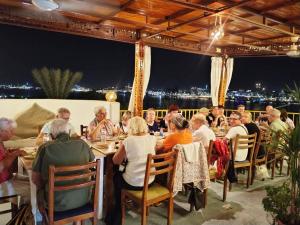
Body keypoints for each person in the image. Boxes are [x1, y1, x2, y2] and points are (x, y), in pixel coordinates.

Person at [32, 119, 95, 214]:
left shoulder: (45, 148)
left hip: (56, 202)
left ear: (51, 134)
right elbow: (92, 160)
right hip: (84, 198)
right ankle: (77, 221)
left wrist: (45, 187)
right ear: (69, 131)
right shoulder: (82, 144)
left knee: (38, 191)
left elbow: (35, 179)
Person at [108, 116, 156, 225]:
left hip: (134, 183)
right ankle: (130, 203)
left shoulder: (128, 140)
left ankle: (118, 210)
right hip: (150, 181)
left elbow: (115, 161)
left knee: (116, 177)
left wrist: (122, 147)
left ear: (131, 127)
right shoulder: (152, 138)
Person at [0, 118, 29, 202]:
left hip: (8, 178)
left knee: (33, 181)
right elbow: (1, 166)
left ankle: (23, 213)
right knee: (35, 188)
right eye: (10, 131)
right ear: (1, 131)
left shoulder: (1, 142)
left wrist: (11, 152)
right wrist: (14, 154)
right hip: (2, 185)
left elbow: (3, 156)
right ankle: (25, 214)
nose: (13, 133)